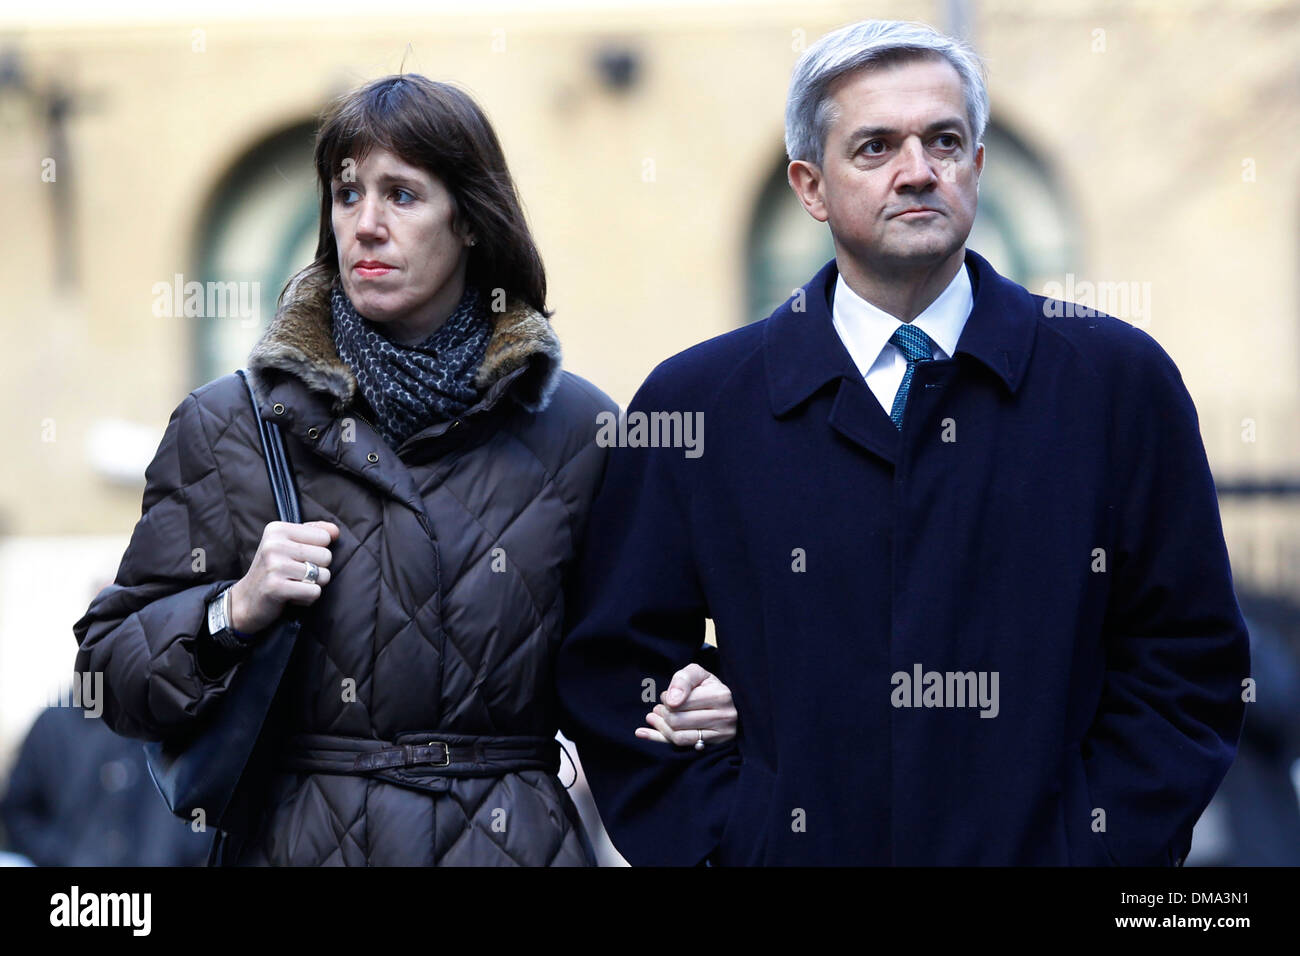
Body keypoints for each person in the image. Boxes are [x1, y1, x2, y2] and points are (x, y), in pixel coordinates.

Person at [555, 19, 1251, 865]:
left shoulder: (1117, 385)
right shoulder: (698, 405)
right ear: (809, 187)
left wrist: (1089, 845)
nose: (918, 171)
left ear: (980, 167)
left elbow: (1188, 662)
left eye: (945, 141)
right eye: (876, 147)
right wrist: (735, 842)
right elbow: (613, 667)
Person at [73, 74, 736, 866]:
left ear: (470, 223)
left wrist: (697, 692)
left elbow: (621, 664)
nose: (367, 226)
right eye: (346, 195)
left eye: (403, 196)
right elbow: (107, 679)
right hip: (301, 845)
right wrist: (233, 610)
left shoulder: (577, 430)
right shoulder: (233, 423)